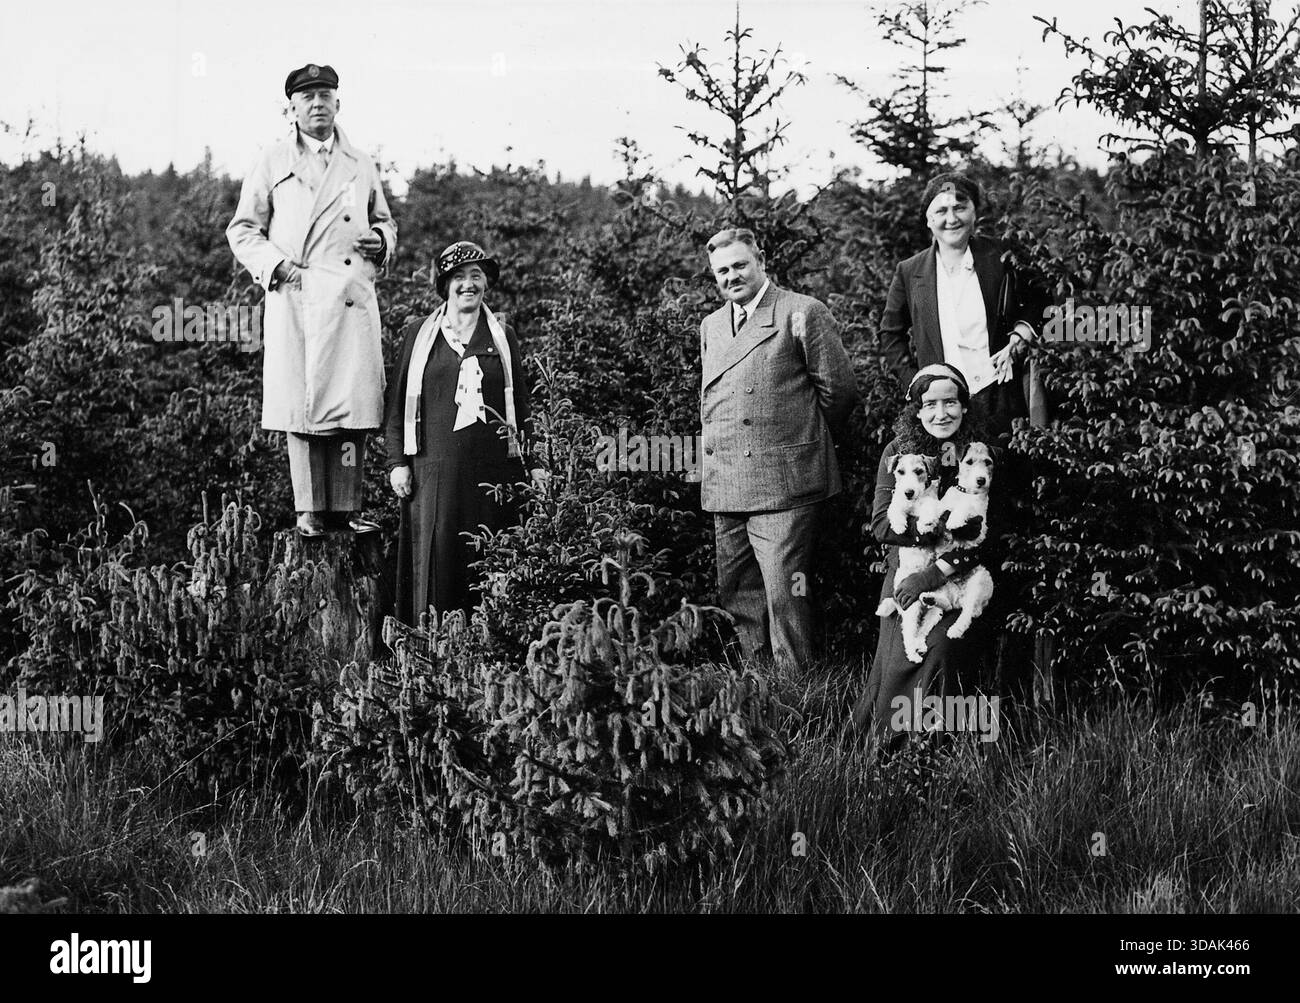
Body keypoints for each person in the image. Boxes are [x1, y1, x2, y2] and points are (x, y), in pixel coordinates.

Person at [227, 63, 397, 537]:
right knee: (302, 410)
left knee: (352, 405)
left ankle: (346, 507)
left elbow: (384, 220)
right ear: (292, 109)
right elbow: (242, 230)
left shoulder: (360, 162)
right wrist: (278, 268)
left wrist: (381, 242)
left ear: (338, 103)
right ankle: (309, 509)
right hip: (299, 297)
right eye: (308, 98)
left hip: (349, 297)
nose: (318, 104)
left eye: (325, 95)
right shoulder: (272, 161)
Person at [699, 227, 860, 669]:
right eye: (721, 271)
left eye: (739, 265)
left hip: (786, 485)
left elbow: (839, 393)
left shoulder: (801, 312)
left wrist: (795, 443)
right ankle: (757, 688)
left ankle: (798, 696)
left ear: (761, 261)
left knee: (786, 596)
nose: (732, 276)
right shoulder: (711, 325)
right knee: (739, 595)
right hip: (728, 481)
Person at [383, 241, 546, 625]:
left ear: (486, 283)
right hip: (431, 476)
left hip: (494, 477)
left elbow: (521, 406)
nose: (468, 285)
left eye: (476, 276)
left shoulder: (501, 337)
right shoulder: (419, 336)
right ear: (444, 285)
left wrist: (535, 463)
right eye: (459, 277)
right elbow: (395, 408)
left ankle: (487, 659)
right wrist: (396, 463)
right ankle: (433, 655)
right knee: (437, 567)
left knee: (488, 567)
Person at [851, 363, 1003, 743]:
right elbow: (883, 526)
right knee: (901, 650)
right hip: (906, 569)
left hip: (962, 575)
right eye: (930, 404)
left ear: (964, 406)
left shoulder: (977, 454)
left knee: (943, 648)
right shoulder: (899, 451)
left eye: (950, 402)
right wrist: (926, 535)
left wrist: (939, 572)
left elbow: (986, 533)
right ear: (916, 410)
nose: (941, 413)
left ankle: (939, 747)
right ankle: (888, 748)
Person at [878, 171, 1048, 443]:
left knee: (1006, 471)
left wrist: (1021, 335)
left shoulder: (1002, 256)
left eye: (960, 207)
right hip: (945, 406)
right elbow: (890, 335)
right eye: (941, 210)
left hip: (1001, 395)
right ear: (929, 220)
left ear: (974, 212)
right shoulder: (910, 272)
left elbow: (1041, 298)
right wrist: (918, 384)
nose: (952, 218)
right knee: (950, 474)